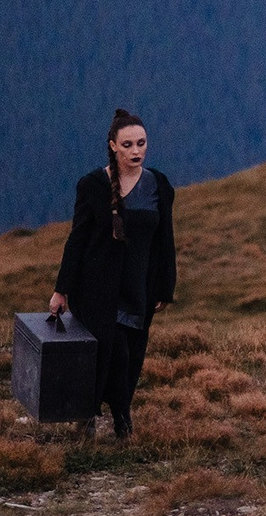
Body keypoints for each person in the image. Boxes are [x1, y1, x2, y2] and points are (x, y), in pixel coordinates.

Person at [51, 109, 176, 438]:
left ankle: (120, 412)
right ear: (113, 146)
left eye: (141, 143)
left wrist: (165, 287)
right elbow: (77, 238)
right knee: (112, 351)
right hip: (97, 287)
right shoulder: (93, 186)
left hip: (140, 286)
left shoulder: (158, 185)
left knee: (132, 354)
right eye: (128, 145)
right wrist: (61, 290)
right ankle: (98, 415)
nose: (136, 151)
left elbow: (166, 240)